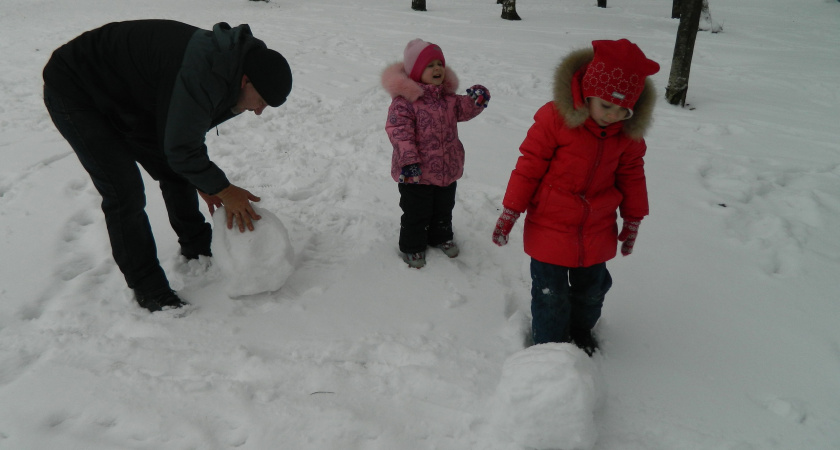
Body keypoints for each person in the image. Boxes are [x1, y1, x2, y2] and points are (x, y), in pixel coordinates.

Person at [42, 20, 293, 312]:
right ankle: (148, 287)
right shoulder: (206, 73)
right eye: (260, 101)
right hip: (77, 88)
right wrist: (224, 189)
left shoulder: (235, 69)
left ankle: (196, 243)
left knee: (175, 168)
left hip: (128, 93)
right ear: (246, 81)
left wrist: (205, 181)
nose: (259, 111)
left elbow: (184, 139)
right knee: (124, 191)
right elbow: (182, 149)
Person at [492, 39, 659, 355]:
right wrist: (511, 210)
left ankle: (581, 332)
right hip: (549, 223)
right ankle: (549, 347)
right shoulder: (555, 120)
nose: (612, 115)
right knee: (550, 292)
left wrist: (634, 217)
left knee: (591, 292)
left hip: (597, 225)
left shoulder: (626, 137)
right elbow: (529, 166)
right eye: (606, 105)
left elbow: (633, 175)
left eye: (623, 110)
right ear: (588, 94)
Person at [382, 38, 490, 269]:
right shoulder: (405, 103)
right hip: (415, 173)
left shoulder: (448, 99)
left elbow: (464, 108)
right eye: (429, 65)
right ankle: (412, 246)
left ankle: (440, 236)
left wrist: (476, 99)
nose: (437, 69)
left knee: (444, 207)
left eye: (439, 63)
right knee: (416, 212)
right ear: (416, 71)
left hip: (446, 168)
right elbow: (399, 132)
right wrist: (408, 161)